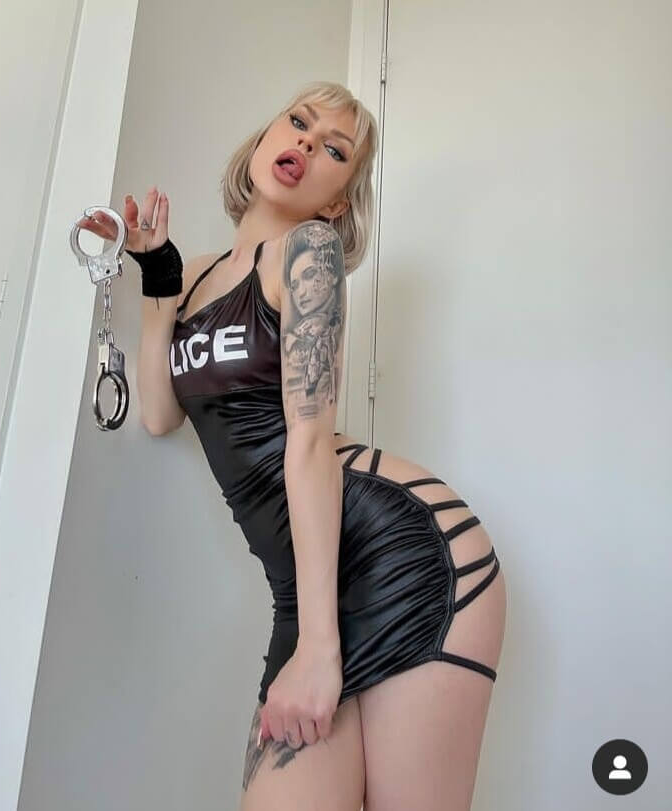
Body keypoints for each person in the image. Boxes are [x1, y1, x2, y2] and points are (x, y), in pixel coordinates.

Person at [78, 80, 507, 811]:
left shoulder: (309, 252)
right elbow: (158, 413)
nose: (307, 141)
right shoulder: (198, 274)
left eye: (334, 149)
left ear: (338, 202)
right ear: (265, 139)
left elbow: (307, 445)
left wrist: (317, 646)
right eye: (299, 122)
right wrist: (158, 274)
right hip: (306, 588)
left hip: (400, 558)